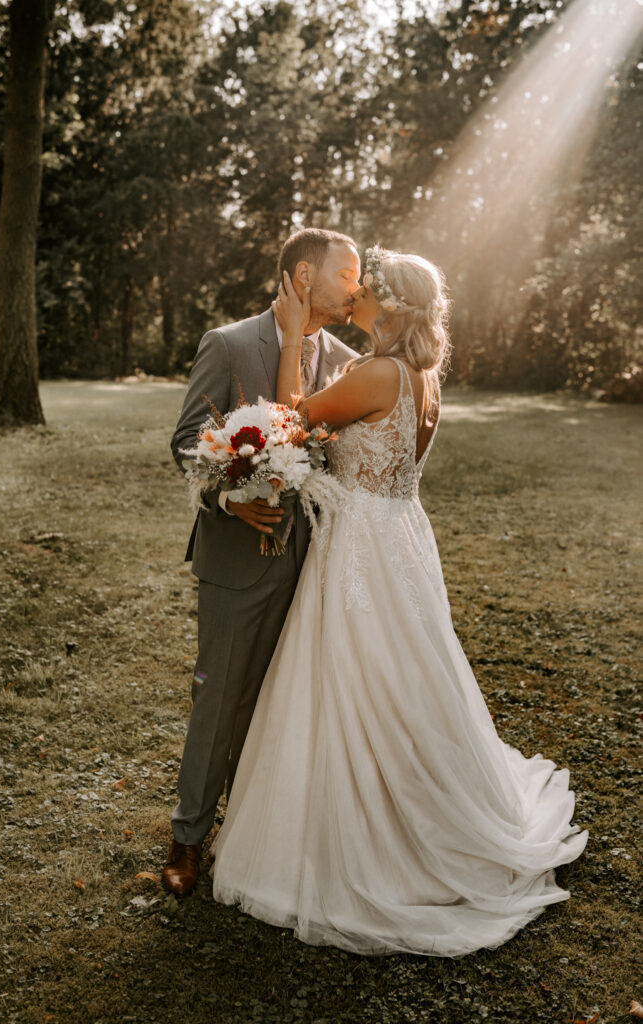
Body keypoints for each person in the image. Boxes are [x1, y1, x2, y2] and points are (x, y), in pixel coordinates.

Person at [210, 246, 588, 956]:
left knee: (358, 679)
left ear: (384, 303)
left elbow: (292, 419)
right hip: (399, 540)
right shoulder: (417, 374)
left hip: (359, 547)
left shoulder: (378, 372)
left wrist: (292, 337)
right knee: (400, 675)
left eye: (360, 286)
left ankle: (373, 838)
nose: (348, 293)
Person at [162, 228, 360, 897]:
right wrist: (228, 496)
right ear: (303, 275)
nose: (354, 289)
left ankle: (254, 838)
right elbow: (187, 441)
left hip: (311, 561)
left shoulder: (340, 358)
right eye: (346, 274)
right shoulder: (229, 343)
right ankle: (186, 838)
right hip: (235, 558)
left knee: (282, 704)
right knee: (217, 699)